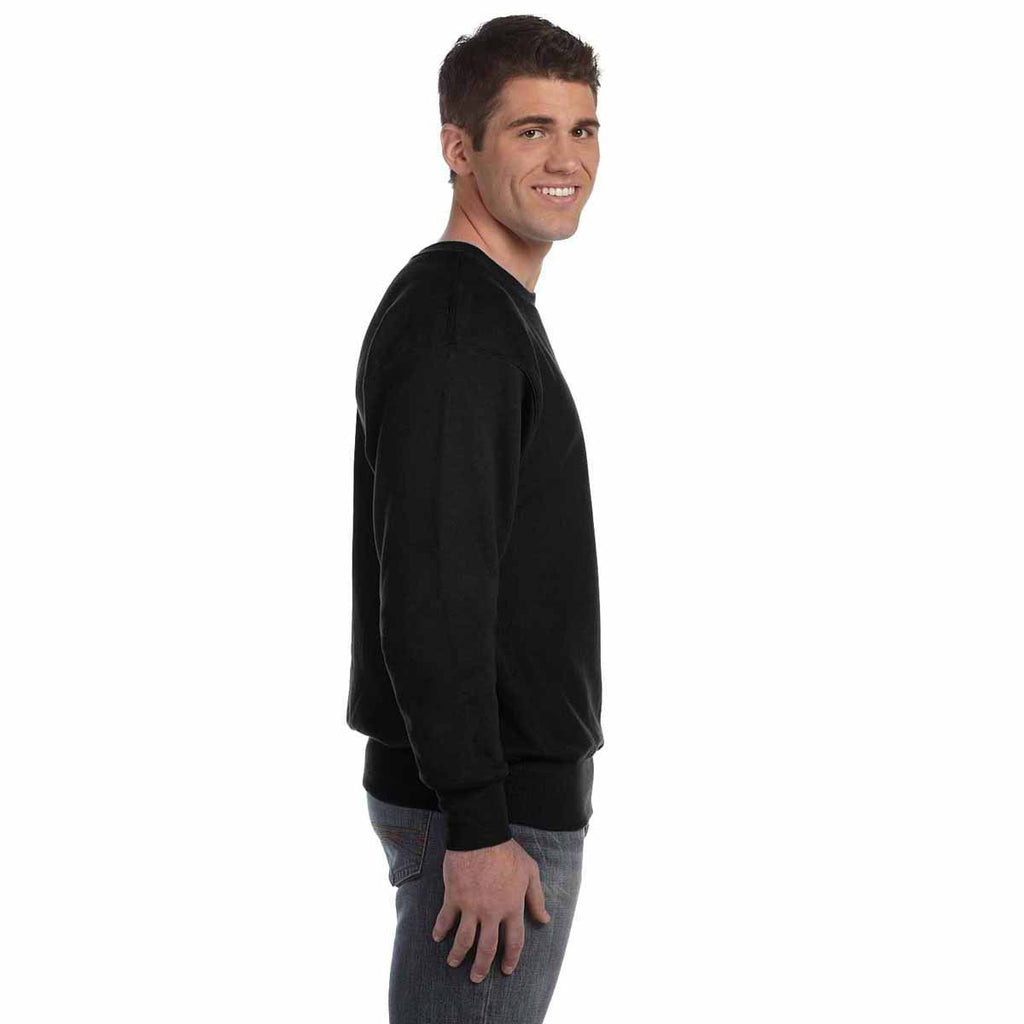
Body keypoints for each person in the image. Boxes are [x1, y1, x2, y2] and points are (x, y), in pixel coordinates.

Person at [346, 15, 605, 1022]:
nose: (566, 160)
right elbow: (434, 588)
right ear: (459, 148)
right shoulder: (460, 327)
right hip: (487, 816)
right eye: (531, 131)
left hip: (496, 798)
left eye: (582, 129)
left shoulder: (486, 313)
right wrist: (479, 824)